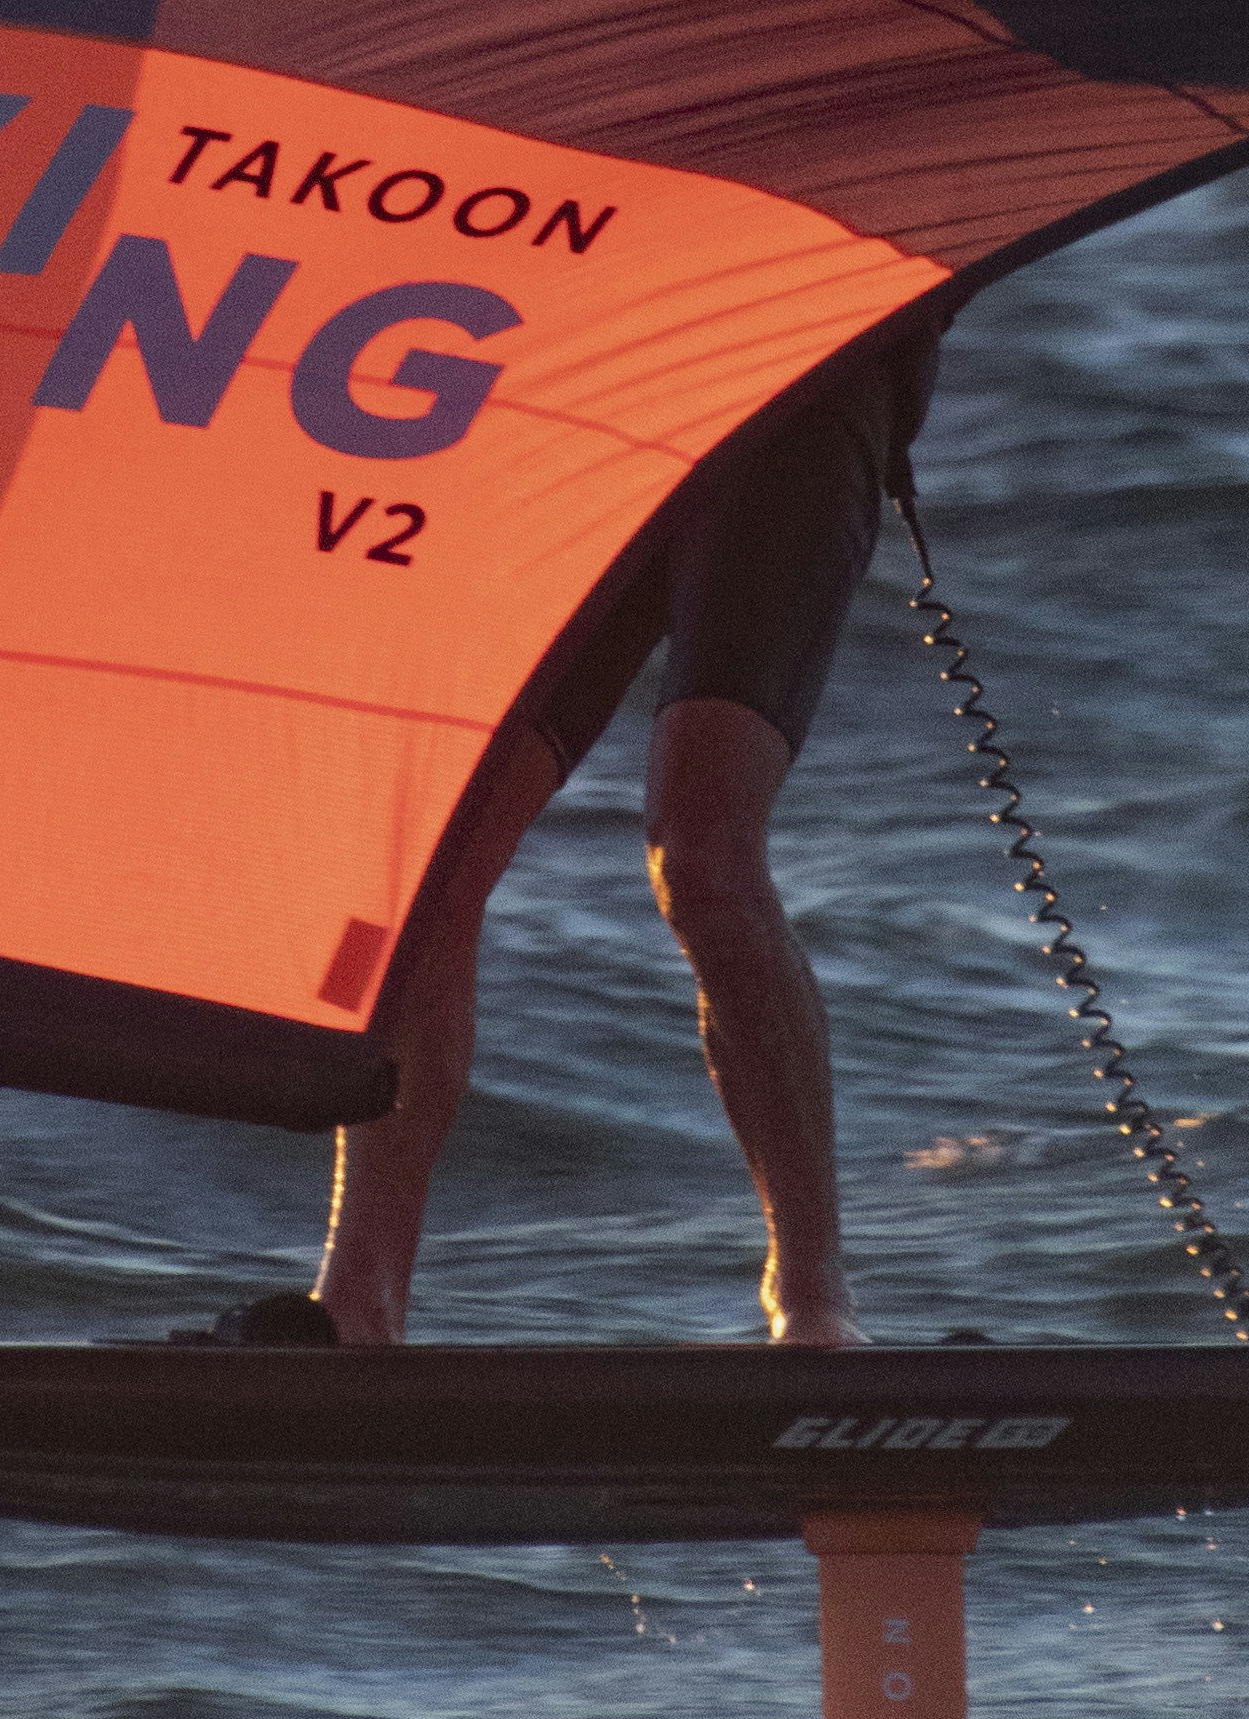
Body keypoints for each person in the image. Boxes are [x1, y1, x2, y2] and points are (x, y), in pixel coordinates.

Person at [289, 311, 946, 1352]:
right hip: (592, 396)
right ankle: (357, 1299)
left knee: (701, 855)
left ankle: (814, 1307)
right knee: (430, 862)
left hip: (794, 405)